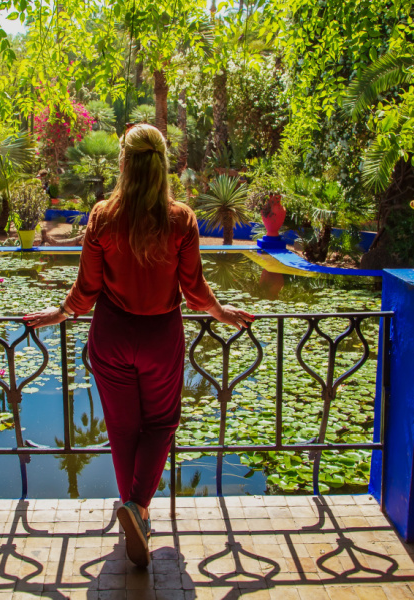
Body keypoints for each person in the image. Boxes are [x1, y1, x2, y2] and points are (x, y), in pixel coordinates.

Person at [24, 124, 253, 567]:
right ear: (163, 164)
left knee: (122, 428)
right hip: (159, 338)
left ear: (124, 164)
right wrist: (222, 313)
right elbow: (195, 291)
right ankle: (138, 507)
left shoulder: (102, 216)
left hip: (110, 337)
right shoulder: (180, 219)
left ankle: (135, 511)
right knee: (163, 422)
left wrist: (60, 313)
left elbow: (87, 290)